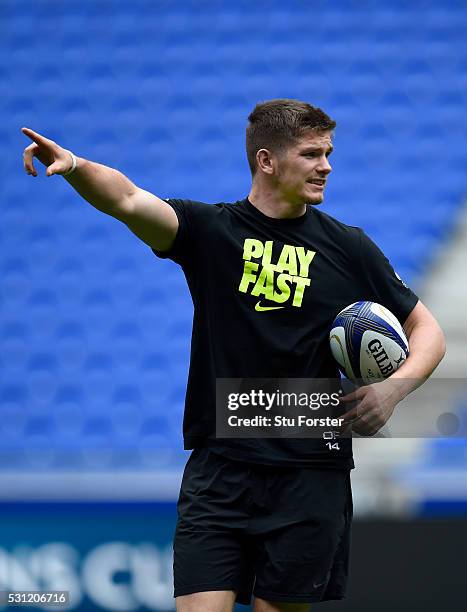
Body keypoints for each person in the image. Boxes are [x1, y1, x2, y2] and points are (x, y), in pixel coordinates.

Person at [22, 99, 445, 612]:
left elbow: (428, 330)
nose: (326, 166)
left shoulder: (349, 248)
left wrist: (391, 390)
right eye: (311, 154)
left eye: (328, 153)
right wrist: (76, 167)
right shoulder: (212, 231)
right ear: (267, 160)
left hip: (309, 474)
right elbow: (130, 200)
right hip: (220, 471)